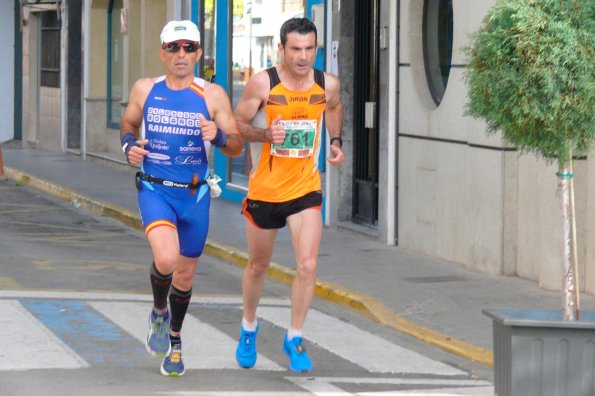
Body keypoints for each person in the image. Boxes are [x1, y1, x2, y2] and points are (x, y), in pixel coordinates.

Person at [119, 20, 243, 376]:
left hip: (195, 195)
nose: (181, 54)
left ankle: (174, 338)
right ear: (162, 52)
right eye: (174, 47)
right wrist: (129, 146)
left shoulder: (213, 95)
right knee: (167, 257)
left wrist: (218, 136)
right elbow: (128, 123)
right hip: (155, 188)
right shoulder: (146, 89)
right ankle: (159, 311)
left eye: (189, 47)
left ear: (199, 53)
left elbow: (235, 145)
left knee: (185, 276)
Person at [233, 17, 344, 373]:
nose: (303, 56)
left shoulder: (326, 84)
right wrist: (266, 136)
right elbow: (236, 125)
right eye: (296, 49)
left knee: (308, 264)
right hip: (265, 189)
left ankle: (294, 336)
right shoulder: (264, 83)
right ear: (282, 48)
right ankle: (249, 326)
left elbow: (334, 108)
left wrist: (336, 142)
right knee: (258, 266)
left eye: (310, 48)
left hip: (304, 188)